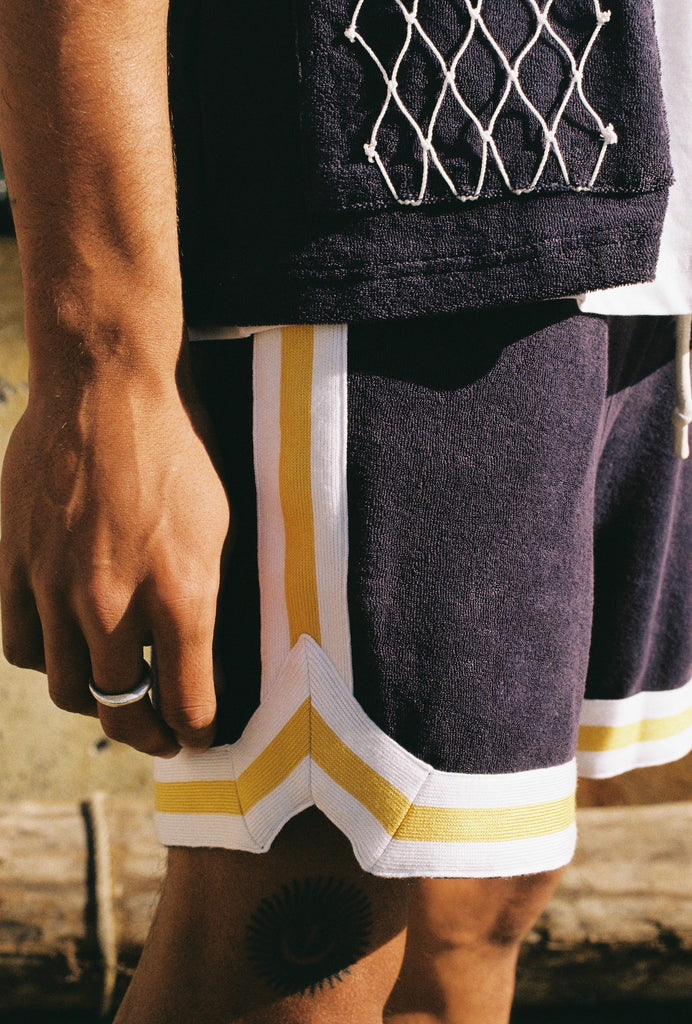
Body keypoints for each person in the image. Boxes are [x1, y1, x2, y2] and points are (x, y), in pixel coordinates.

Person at [0, 2, 690, 1023]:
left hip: (636, 178)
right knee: (303, 932)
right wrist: (104, 359)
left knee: (478, 895)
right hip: (380, 174)